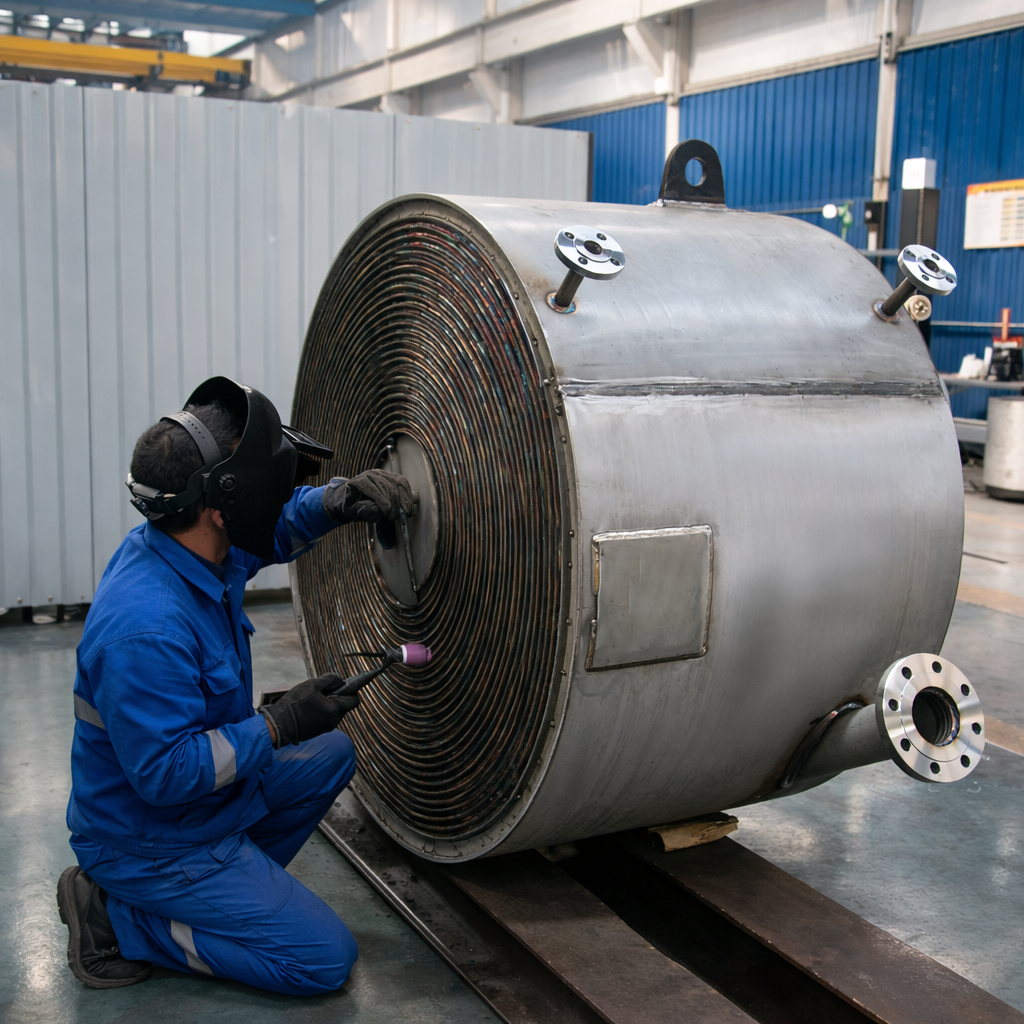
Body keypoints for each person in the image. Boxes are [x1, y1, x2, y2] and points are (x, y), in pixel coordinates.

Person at [56, 376, 416, 996]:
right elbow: (166, 775)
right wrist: (279, 725)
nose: (285, 495)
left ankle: (225, 891)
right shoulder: (144, 627)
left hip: (199, 812)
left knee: (331, 753)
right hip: (152, 838)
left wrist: (336, 500)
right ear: (221, 508)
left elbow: (269, 533)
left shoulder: (189, 542)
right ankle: (119, 918)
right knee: (321, 961)